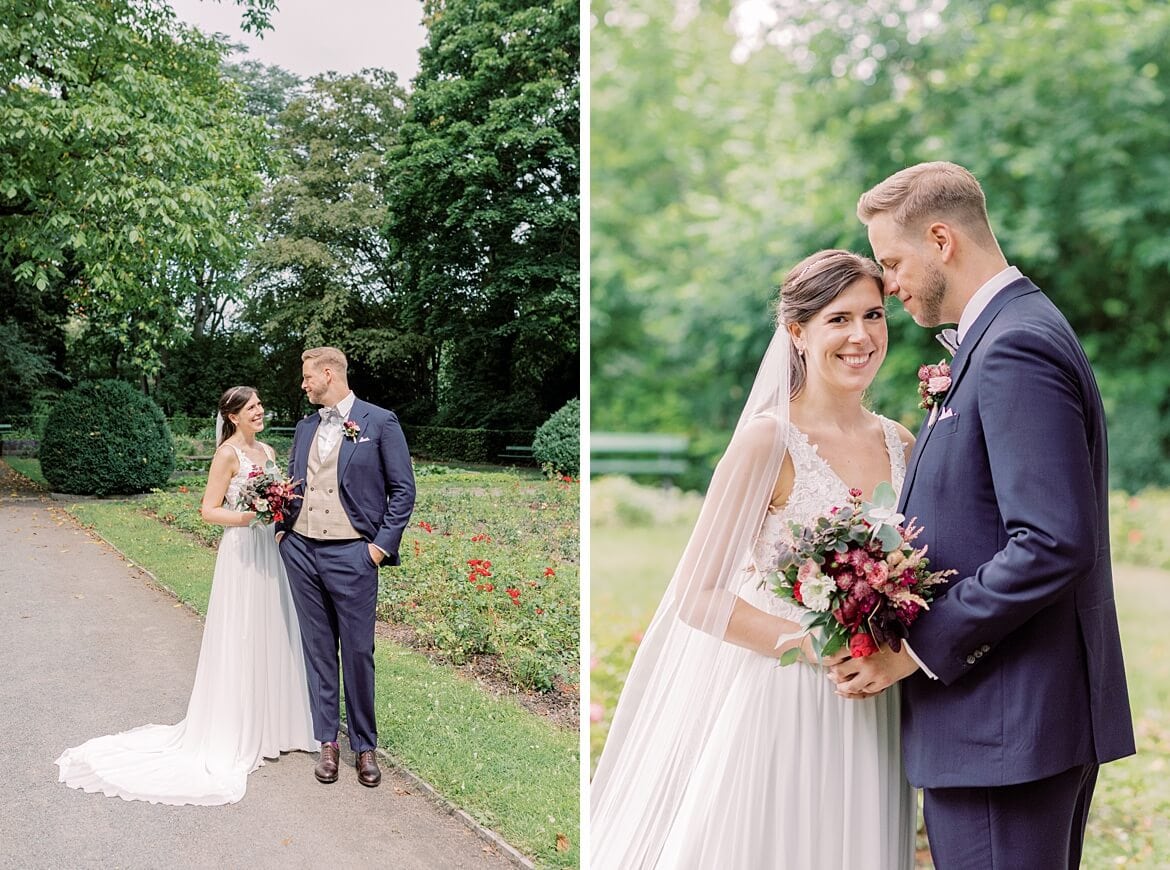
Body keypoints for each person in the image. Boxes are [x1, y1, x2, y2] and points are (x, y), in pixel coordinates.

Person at [831, 161, 1136, 868]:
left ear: (941, 240)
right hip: (1010, 727)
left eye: (893, 262)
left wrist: (915, 648)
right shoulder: (1009, 329)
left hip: (1006, 728)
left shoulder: (1013, 346)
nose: (890, 283)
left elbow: (1053, 542)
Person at [591, 250, 917, 869]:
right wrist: (814, 645)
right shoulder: (769, 440)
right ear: (797, 332)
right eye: (837, 319)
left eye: (873, 315)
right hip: (786, 693)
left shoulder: (900, 441)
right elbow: (699, 593)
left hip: (877, 699)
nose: (861, 336)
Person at [56, 386, 318, 805]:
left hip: (270, 549)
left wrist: (277, 514)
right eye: (252, 407)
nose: (260, 411)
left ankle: (276, 725)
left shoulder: (267, 450)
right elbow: (208, 509)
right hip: (242, 549)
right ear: (233, 416)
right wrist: (251, 516)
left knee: (274, 628)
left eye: (260, 405)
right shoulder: (227, 455)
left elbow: (280, 498)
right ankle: (236, 727)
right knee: (243, 633)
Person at [275, 347, 415, 788]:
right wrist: (283, 531)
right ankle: (328, 742)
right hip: (302, 552)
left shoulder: (380, 422)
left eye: (306, 377)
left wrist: (376, 549)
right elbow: (294, 483)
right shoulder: (304, 427)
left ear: (328, 373)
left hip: (353, 555)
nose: (303, 384)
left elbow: (403, 491)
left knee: (357, 652)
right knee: (318, 651)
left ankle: (365, 745)